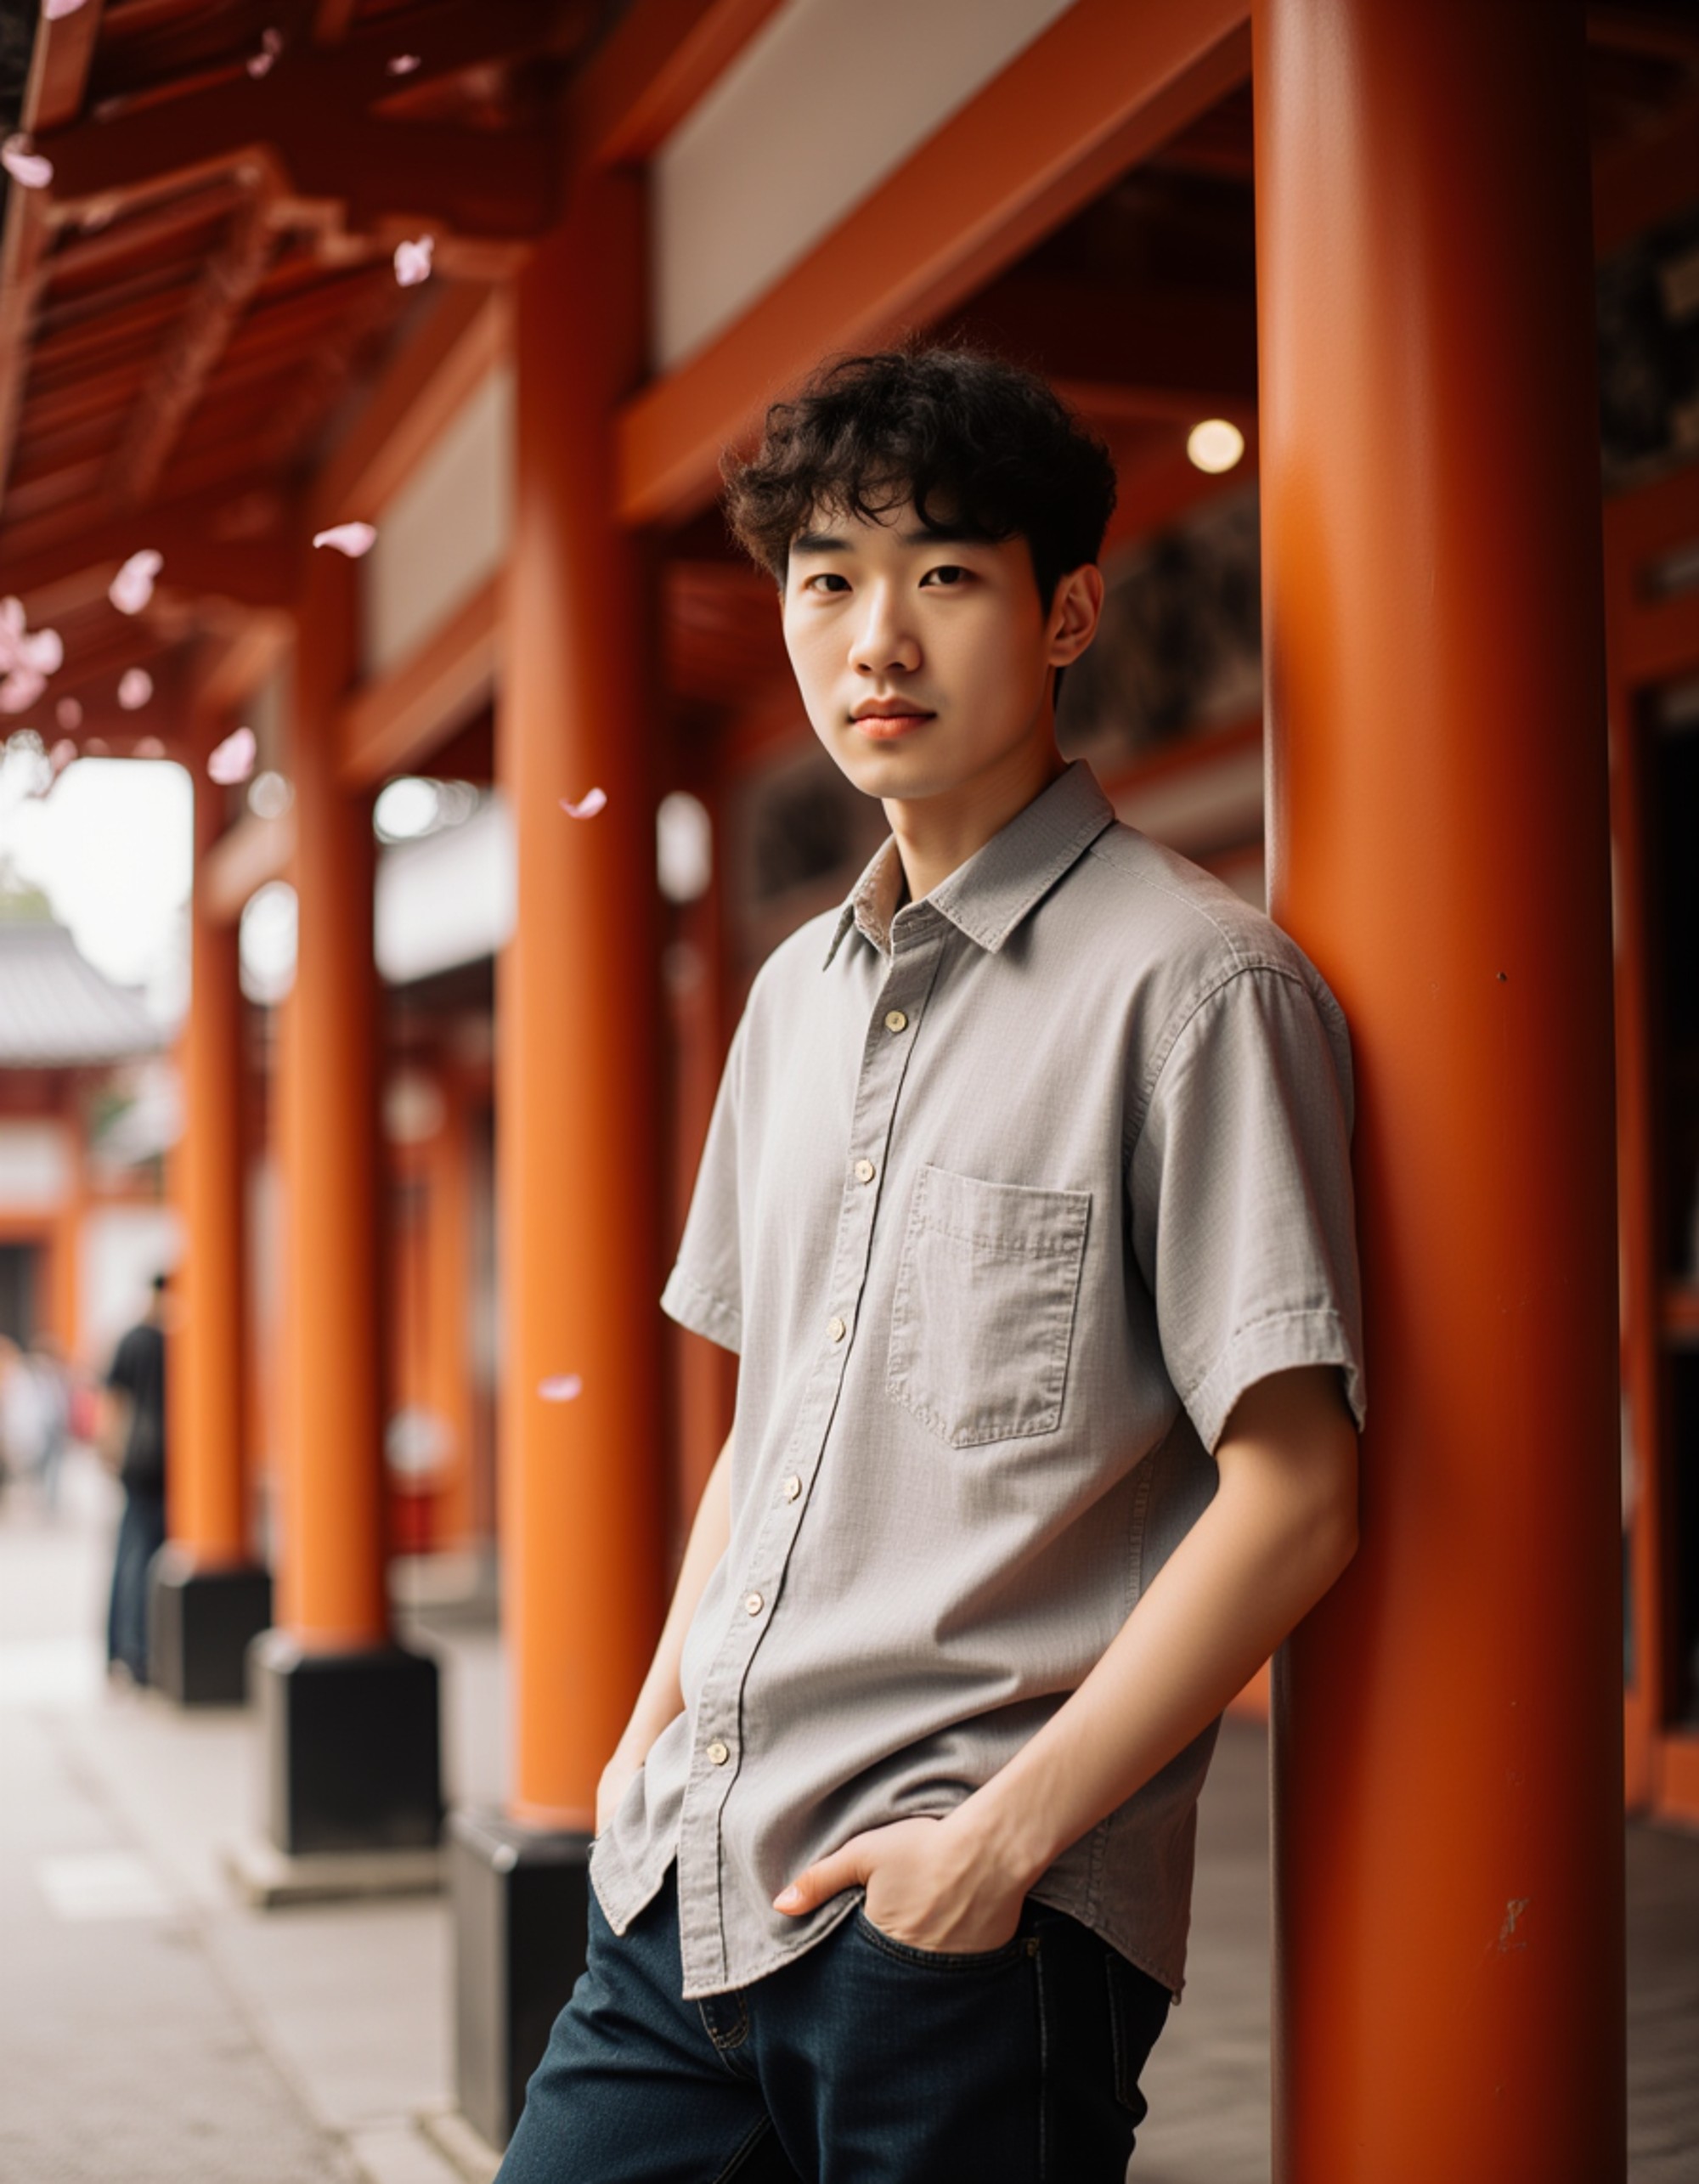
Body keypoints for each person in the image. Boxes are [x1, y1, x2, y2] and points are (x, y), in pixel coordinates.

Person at [500, 349, 1367, 2184]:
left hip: (960, 1932)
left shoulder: (1193, 989)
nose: (872, 638)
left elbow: (1294, 1494)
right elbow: (764, 1432)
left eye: (943, 576)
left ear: (1062, 613)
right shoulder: (783, 1002)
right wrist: (641, 1759)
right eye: (826, 579)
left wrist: (996, 1846)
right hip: (687, 1887)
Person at [101, 1273, 171, 1687]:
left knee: (130, 1553)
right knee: (142, 1555)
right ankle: (138, 1651)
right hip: (154, 1464)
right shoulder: (162, 1341)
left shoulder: (134, 1339)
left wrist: (111, 1452)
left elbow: (113, 1402)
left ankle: (122, 1648)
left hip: (137, 1462)